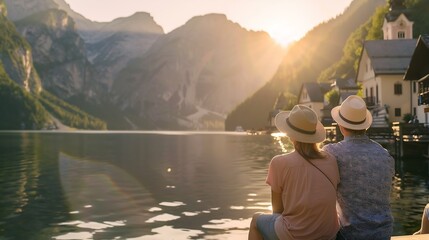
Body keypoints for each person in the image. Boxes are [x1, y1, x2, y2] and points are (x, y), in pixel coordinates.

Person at [249, 105, 340, 240]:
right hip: (329, 233)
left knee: (256, 220)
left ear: (291, 135)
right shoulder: (331, 160)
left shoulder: (279, 163)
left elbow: (278, 211)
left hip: (297, 235)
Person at [322, 95, 395, 239]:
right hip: (383, 234)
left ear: (341, 126)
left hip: (350, 235)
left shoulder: (332, 152)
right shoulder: (384, 154)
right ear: (365, 126)